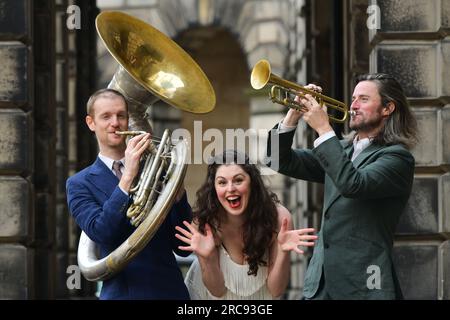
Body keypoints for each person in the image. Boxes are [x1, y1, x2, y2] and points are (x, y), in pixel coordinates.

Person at [266, 74, 418, 299]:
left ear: (388, 108)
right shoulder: (341, 151)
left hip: (365, 284)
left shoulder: (397, 158)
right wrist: (292, 115)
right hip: (321, 282)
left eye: (363, 99)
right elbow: (278, 160)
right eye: (354, 98)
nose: (353, 105)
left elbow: (353, 184)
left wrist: (323, 128)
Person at [66, 88, 192, 299]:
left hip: (171, 292)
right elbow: (102, 232)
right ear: (91, 123)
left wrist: (177, 194)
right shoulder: (79, 184)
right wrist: (127, 178)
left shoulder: (154, 168)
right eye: (106, 116)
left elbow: (183, 247)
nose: (115, 123)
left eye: (120, 115)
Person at [175, 150, 317, 299]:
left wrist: (283, 251)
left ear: (252, 182)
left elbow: (276, 291)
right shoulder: (205, 222)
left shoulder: (279, 218)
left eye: (238, 180)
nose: (230, 189)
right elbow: (217, 291)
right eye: (222, 182)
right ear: (214, 188)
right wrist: (208, 257)